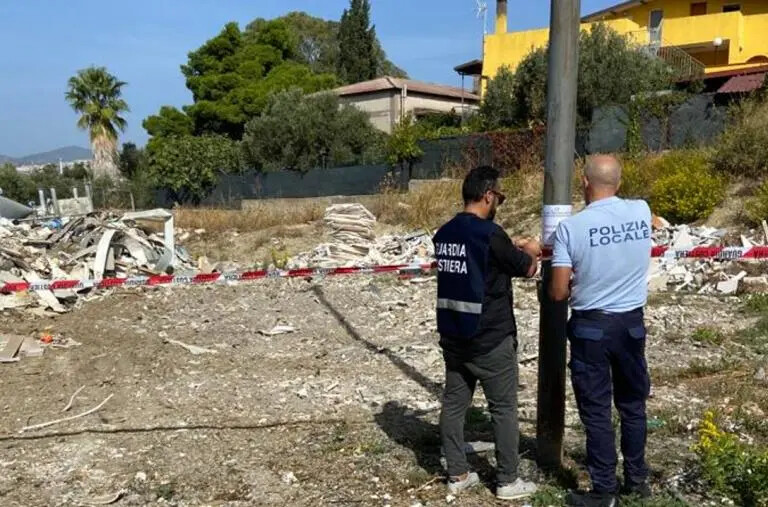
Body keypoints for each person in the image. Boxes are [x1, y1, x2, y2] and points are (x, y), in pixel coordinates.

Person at [549, 155, 653, 507]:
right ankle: (638, 479)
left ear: (584, 183)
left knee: (596, 411)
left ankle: (604, 490)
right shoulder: (641, 211)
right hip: (632, 324)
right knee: (633, 405)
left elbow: (559, 292)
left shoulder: (570, 229)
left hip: (592, 327)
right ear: (619, 183)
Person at [433, 165, 541, 501]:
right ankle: (507, 481)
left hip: (454, 336)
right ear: (488, 195)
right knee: (504, 409)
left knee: (453, 406)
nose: (499, 204)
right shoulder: (490, 235)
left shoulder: (445, 232)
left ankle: (457, 472)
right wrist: (531, 249)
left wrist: (513, 245)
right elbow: (527, 268)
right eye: (500, 198)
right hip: (490, 338)